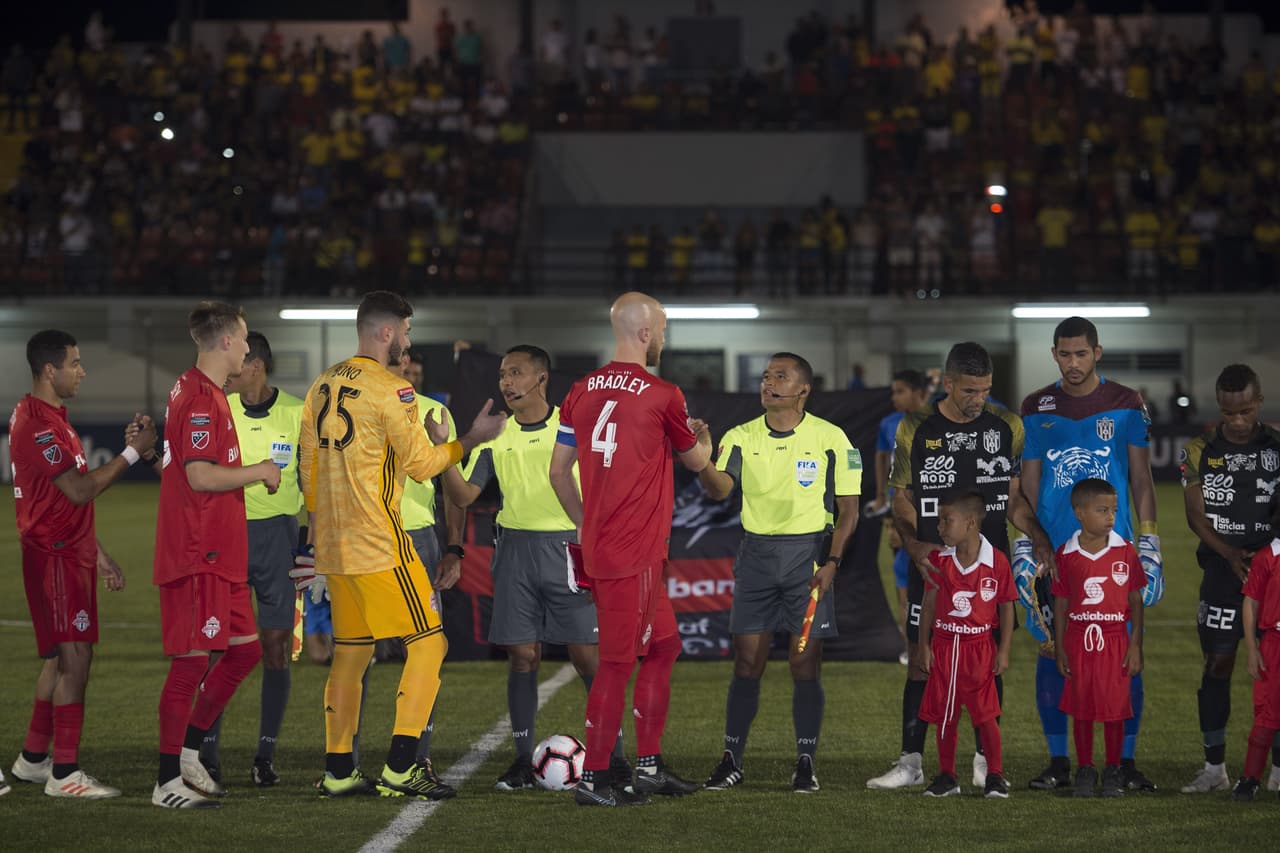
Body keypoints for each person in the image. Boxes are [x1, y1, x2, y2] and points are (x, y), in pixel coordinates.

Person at [298, 291, 505, 800]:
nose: (408, 344)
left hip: (334, 543)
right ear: (386, 332)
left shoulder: (321, 385)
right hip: (380, 544)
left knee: (351, 653)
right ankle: (399, 769)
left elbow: (307, 474)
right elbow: (421, 466)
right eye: (406, 333)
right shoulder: (394, 391)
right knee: (430, 644)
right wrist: (469, 439)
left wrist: (317, 537)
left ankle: (340, 771)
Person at [437, 345, 628, 791]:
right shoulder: (495, 434)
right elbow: (464, 496)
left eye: (516, 373)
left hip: (568, 552)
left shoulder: (575, 426)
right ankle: (524, 760)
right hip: (515, 554)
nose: (506, 382)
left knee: (587, 659)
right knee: (522, 658)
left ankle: (615, 759)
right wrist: (443, 450)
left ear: (541, 379)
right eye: (503, 374)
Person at [867, 341, 1053, 791]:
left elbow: (1012, 501)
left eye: (985, 389)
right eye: (970, 390)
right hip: (933, 568)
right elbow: (903, 501)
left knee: (986, 664)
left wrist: (1040, 538)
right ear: (947, 384)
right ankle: (912, 762)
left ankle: (986, 761)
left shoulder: (1007, 425)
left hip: (988, 570)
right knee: (920, 661)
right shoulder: (914, 428)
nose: (979, 399)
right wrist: (913, 546)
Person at [549, 291, 712, 807]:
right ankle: (595, 779)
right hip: (634, 552)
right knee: (618, 663)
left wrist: (587, 523)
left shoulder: (580, 390)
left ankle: (647, 766)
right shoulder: (663, 393)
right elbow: (695, 462)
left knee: (664, 647)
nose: (664, 337)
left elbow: (558, 471)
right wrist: (703, 443)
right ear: (644, 333)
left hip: (610, 546)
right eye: (661, 328)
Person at [698, 352, 861, 793]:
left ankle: (805, 761)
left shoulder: (832, 439)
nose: (769, 383)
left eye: (780, 377)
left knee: (803, 664)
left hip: (807, 562)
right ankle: (731, 759)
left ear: (803, 389)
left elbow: (849, 512)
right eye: (766, 376)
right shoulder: (740, 436)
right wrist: (700, 460)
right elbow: (720, 491)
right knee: (747, 663)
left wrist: (832, 563)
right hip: (756, 558)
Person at [8, 329, 157, 800]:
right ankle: (65, 773)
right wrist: (133, 453)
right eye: (75, 363)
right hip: (54, 557)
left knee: (58, 658)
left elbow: (64, 503)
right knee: (76, 657)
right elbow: (79, 490)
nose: (82, 371)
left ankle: (34, 759)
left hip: (65, 551)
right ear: (50, 371)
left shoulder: (50, 417)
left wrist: (99, 553)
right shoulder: (38, 424)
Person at [1019, 316, 1162, 792]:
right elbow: (1031, 484)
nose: (1073, 363)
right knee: (1055, 653)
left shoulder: (1126, 402)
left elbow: (1142, 479)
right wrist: (1028, 541)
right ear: (1054, 354)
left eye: (1082, 353)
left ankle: (1125, 763)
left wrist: (1149, 539)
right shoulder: (1036, 406)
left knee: (1123, 656)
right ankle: (1061, 763)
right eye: (1065, 354)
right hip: (1057, 554)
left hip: (1114, 549)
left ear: (1097, 352)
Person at [152, 302, 283, 809]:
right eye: (245, 338)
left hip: (220, 550)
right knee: (190, 665)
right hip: (198, 550)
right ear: (226, 341)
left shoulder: (197, 390)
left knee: (245, 652)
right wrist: (261, 470)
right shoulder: (203, 400)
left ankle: (186, 752)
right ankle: (167, 781)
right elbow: (200, 475)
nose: (249, 347)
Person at [195, 332, 306, 788]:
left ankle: (265, 756)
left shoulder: (299, 413)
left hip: (280, 542)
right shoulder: (219, 409)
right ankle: (207, 752)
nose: (231, 372)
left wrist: (312, 545)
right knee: (217, 647)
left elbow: (314, 481)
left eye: (239, 363)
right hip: (229, 536)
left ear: (255, 366)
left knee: (276, 647)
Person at [1179, 364, 1280, 794]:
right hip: (1222, 572)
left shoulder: (1277, 446)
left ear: (1258, 402)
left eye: (1243, 411)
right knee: (1217, 666)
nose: (1236, 421)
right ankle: (1214, 768)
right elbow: (1194, 513)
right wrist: (1227, 552)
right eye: (1227, 412)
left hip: (1272, 572)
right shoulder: (1199, 448)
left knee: (1276, 671)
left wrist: (1264, 554)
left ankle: (1276, 770)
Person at [389, 346, 460, 787]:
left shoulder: (437, 414)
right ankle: (341, 761)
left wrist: (455, 547)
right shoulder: (363, 405)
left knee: (426, 648)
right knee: (354, 653)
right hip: (369, 539)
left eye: (413, 369)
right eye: (401, 366)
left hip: (421, 540)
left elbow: (453, 489)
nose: (406, 374)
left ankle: (419, 755)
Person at [1051, 479, 1146, 798]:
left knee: (1114, 709)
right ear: (1079, 512)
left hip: (1115, 640)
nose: (1110, 517)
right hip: (1079, 641)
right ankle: (1086, 769)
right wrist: (1061, 646)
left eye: (1114, 511)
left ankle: (1113, 769)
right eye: (1102, 510)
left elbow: (1135, 600)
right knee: (1082, 708)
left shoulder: (1125, 550)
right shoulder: (1066, 553)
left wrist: (1135, 645)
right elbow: (1061, 602)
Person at [917, 491, 1015, 798]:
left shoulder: (996, 561)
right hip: (945, 648)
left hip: (979, 649)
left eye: (947, 520)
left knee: (985, 717)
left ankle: (995, 775)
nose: (940, 527)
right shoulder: (939, 560)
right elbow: (928, 603)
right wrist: (924, 644)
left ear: (970, 522)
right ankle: (947, 776)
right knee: (946, 716)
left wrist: (1004, 649)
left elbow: (1007, 606)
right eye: (939, 520)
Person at [868, 370, 931, 662]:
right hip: (899, 509)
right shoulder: (888, 424)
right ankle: (909, 641)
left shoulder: (936, 420)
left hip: (930, 510)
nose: (894, 398)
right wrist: (882, 495)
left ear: (920, 392)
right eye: (893, 392)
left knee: (930, 572)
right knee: (902, 569)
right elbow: (882, 458)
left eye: (900, 391)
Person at [1233, 497, 1280, 801]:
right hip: (1273, 645)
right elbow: (1250, 602)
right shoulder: (1268, 556)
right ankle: (1250, 778)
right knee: (1265, 716)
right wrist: (1252, 648)